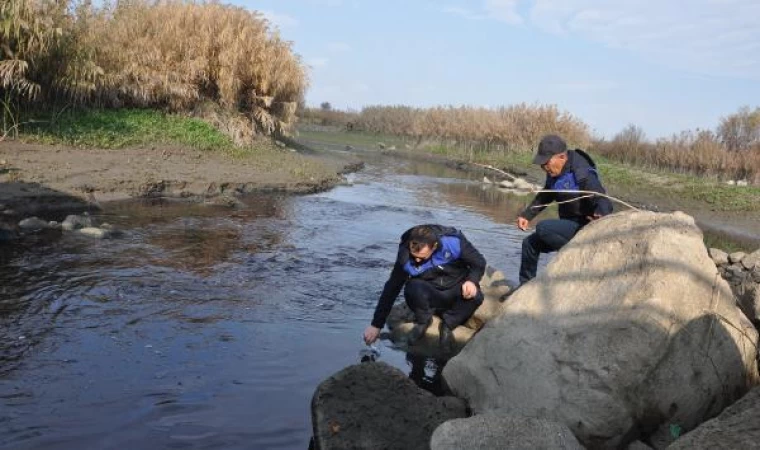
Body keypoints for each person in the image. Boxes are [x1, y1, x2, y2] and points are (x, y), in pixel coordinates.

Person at [363, 224, 486, 351]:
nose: (416, 260)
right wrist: (376, 325)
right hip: (428, 289)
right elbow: (392, 287)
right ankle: (424, 321)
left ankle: (448, 325)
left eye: (421, 257)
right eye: (413, 255)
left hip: (455, 288)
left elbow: (479, 263)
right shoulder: (405, 253)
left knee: (476, 297)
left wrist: (471, 280)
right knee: (412, 287)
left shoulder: (454, 243)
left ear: (434, 246)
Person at [516, 134, 613, 285]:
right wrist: (527, 215)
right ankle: (525, 287)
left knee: (543, 228)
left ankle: (574, 259)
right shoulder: (554, 173)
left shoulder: (582, 173)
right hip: (567, 226)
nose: (544, 167)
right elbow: (545, 196)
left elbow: (602, 198)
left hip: (583, 230)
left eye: (546, 163)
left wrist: (600, 215)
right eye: (542, 164)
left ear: (561, 157)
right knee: (529, 243)